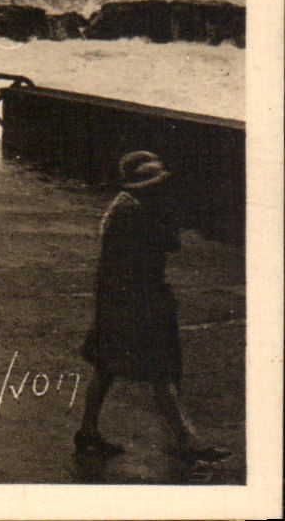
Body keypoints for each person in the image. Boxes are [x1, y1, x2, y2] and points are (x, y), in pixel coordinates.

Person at [74, 153, 229, 463]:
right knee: (161, 370)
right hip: (138, 299)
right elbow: (170, 244)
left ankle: (88, 431)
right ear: (148, 186)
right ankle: (186, 440)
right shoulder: (137, 212)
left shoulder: (126, 204)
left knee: (107, 367)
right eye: (158, 183)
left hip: (118, 298)